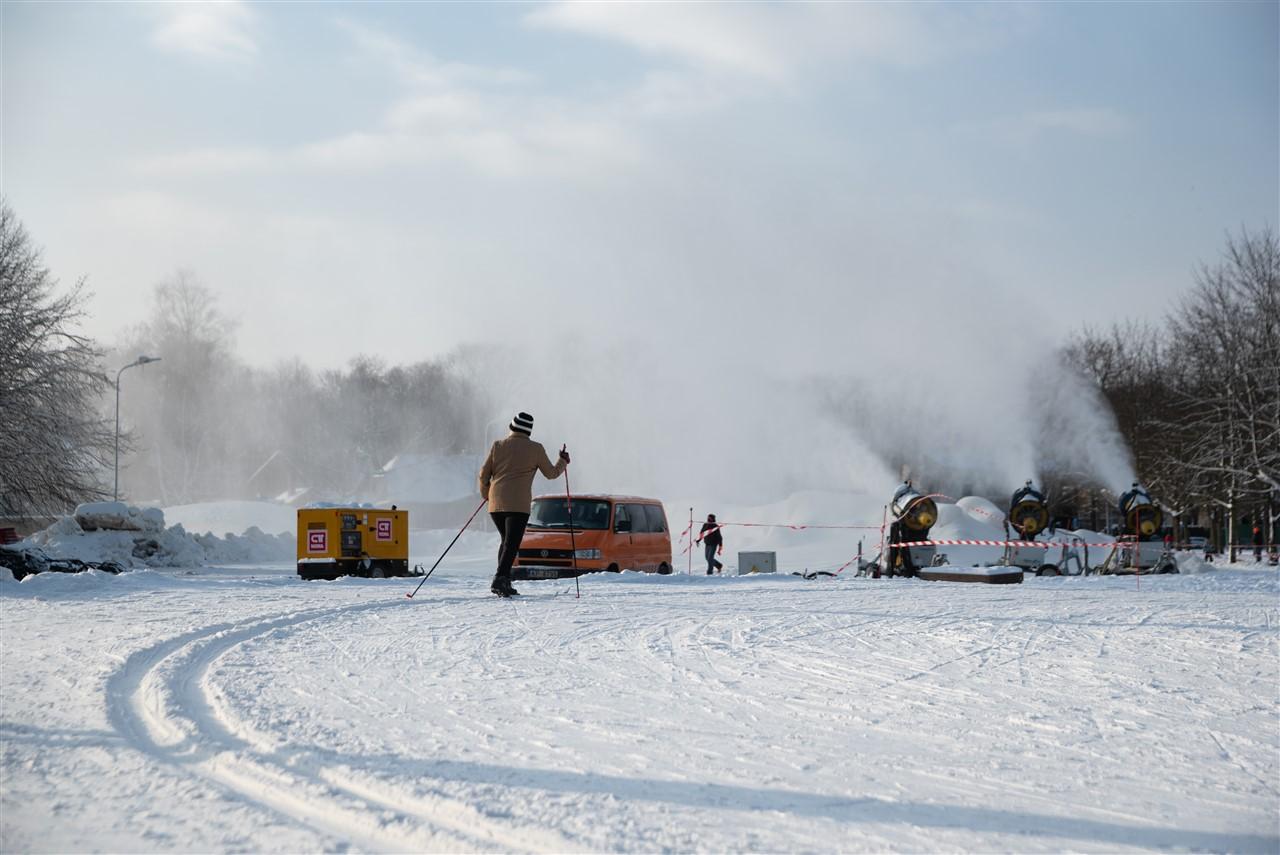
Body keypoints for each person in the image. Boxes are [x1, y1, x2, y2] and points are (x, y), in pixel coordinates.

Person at [478, 412, 569, 597]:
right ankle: (499, 579)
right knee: (511, 544)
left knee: (506, 542)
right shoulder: (535, 449)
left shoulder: (498, 445)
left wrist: (487, 494)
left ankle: (505, 580)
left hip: (496, 505)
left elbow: (483, 475)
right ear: (529, 431)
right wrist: (563, 461)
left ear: (512, 427)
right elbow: (551, 473)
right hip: (518, 505)